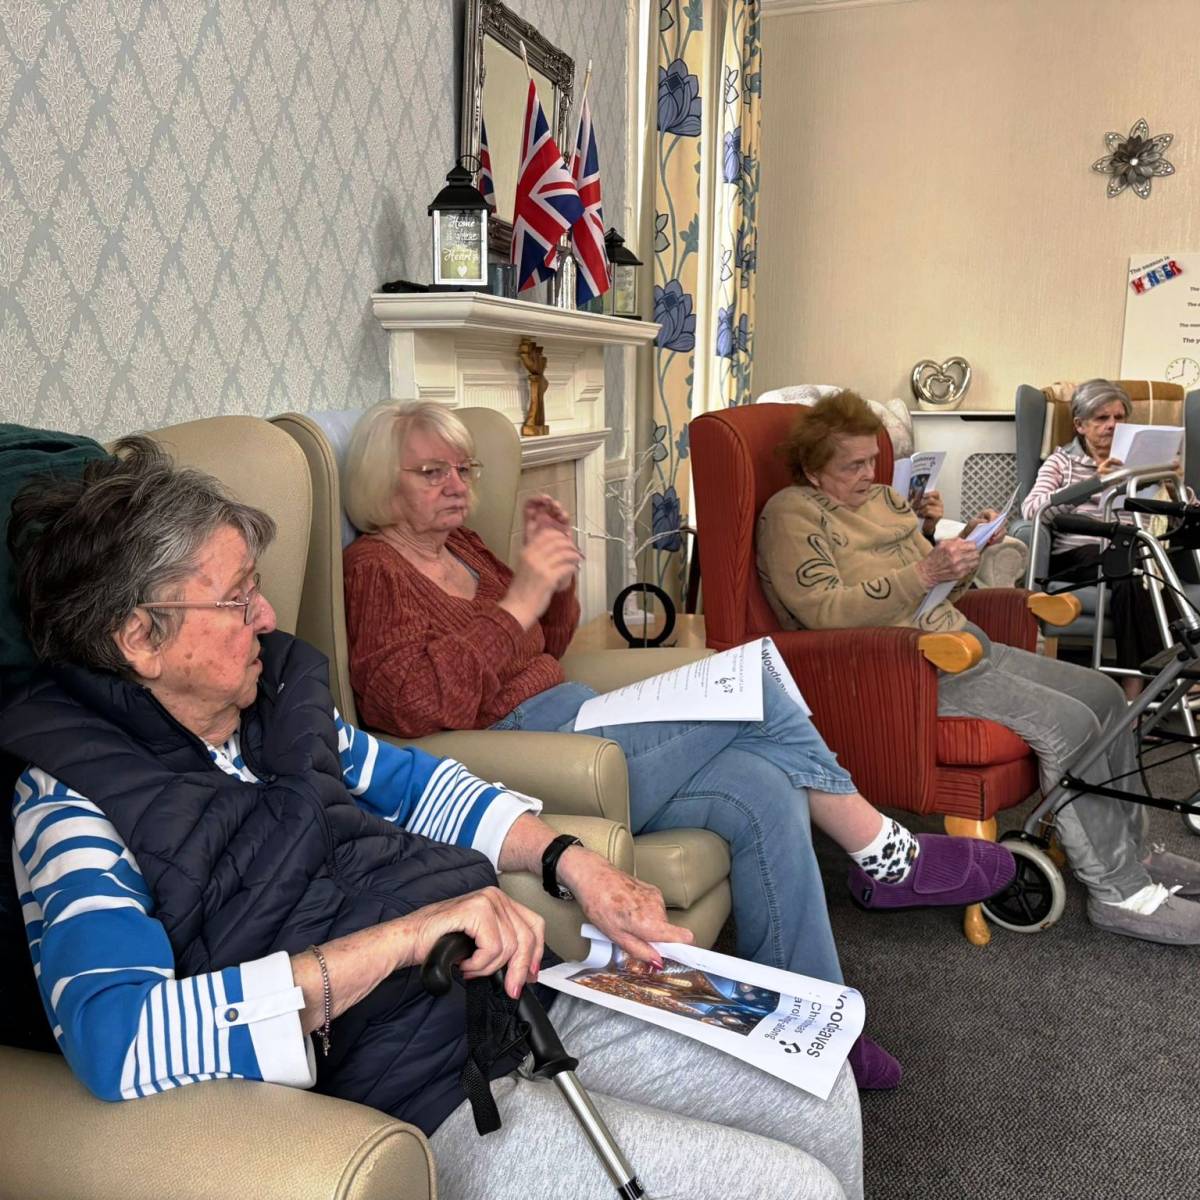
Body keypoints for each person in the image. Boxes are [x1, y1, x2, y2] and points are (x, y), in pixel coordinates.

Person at [1, 438, 864, 1200]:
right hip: (424, 1095)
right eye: (237, 599)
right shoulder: (69, 803)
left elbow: (420, 786)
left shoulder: (273, 705)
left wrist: (577, 865)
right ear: (140, 639)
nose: (266, 617)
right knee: (795, 1190)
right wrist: (409, 939)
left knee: (819, 1088)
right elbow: (120, 1041)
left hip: (513, 1002)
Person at [340, 401, 1017, 1090]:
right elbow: (407, 704)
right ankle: (886, 856)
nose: (457, 485)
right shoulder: (373, 569)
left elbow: (546, 645)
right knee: (759, 689)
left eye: (463, 469)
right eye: (432, 472)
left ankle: (808, 1024)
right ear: (379, 482)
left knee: (765, 784)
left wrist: (556, 583)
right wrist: (521, 599)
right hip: (533, 756)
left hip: (583, 720)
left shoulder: (464, 548)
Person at [756, 389, 1200, 947]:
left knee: (1107, 696)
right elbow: (822, 611)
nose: (869, 474)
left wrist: (967, 552)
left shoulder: (885, 502)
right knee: (1067, 722)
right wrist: (925, 573)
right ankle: (1119, 893)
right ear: (811, 470)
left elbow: (934, 589)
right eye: (853, 466)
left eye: (873, 460)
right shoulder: (792, 514)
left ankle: (1132, 851)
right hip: (900, 670)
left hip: (961, 642)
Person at [1021, 378, 1189, 700]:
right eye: (1101, 418)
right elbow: (1033, 510)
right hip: (1078, 554)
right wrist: (1095, 482)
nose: (1112, 425)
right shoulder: (1062, 462)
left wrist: (1173, 483)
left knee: (1134, 571)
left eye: (1119, 417)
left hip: (1133, 552)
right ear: (1080, 425)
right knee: (1133, 566)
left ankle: (1136, 684)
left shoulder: (1141, 464)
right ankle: (1169, 679)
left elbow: (1182, 517)